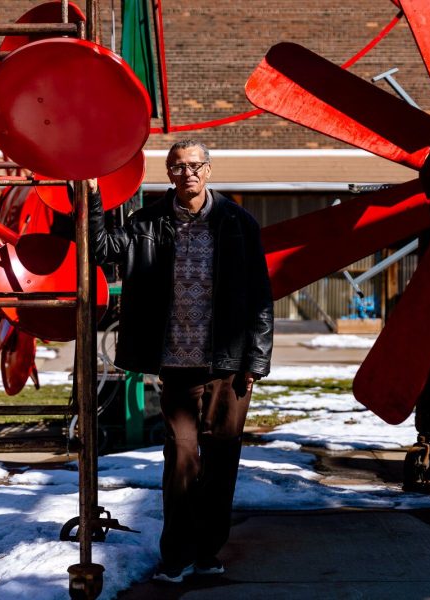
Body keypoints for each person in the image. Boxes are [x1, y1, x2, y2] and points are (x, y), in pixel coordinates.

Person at [88, 139, 274, 583]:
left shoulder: (238, 223)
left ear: (208, 170)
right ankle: (176, 555)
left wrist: (256, 359)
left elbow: (260, 297)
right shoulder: (146, 222)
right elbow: (100, 247)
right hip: (175, 365)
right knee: (181, 461)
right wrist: (92, 194)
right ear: (168, 173)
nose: (187, 173)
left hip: (228, 365)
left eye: (194, 165)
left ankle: (208, 552)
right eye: (177, 166)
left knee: (221, 462)